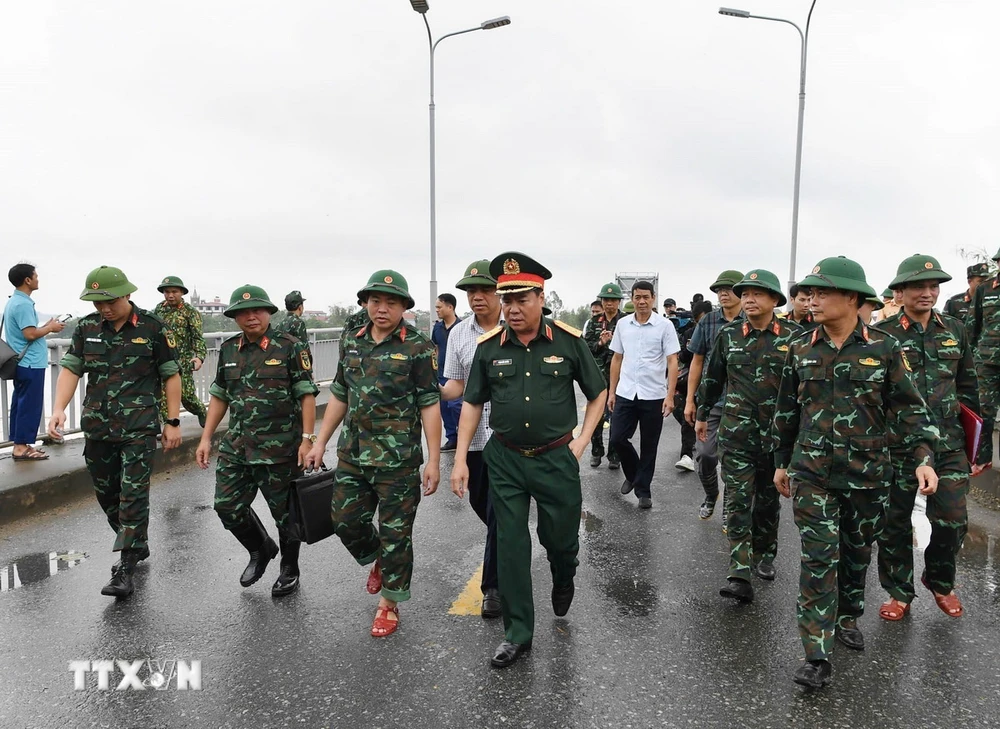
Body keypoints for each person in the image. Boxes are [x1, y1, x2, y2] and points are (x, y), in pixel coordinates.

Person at [772, 256, 939, 690]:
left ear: (851, 298)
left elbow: (910, 410)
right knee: (818, 557)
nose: (811, 300)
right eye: (809, 293)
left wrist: (924, 457)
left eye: (821, 293)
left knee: (856, 554)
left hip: (868, 475)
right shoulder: (800, 347)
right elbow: (787, 411)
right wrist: (779, 462)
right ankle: (816, 654)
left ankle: (848, 615)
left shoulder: (884, 348)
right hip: (812, 472)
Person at [451, 252, 607, 669]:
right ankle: (518, 632)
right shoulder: (488, 349)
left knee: (559, 538)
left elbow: (598, 393)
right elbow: (471, 404)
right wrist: (461, 458)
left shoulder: (569, 342)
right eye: (507, 300)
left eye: (521, 299)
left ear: (541, 297)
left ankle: (563, 572)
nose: (513, 309)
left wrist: (583, 441)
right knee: (511, 544)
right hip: (505, 458)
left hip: (556, 458)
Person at [306, 270, 440, 638]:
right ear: (365, 303)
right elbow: (339, 394)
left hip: (398, 460)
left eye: (391, 302)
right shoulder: (352, 341)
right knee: (344, 520)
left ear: (403, 307)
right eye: (375, 301)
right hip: (353, 453)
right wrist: (320, 442)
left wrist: (434, 459)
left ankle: (389, 604)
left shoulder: (418, 347)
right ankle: (378, 559)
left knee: (397, 533)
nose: (382, 309)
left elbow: (429, 404)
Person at [48, 266, 182, 598]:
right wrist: (58, 409)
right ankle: (137, 543)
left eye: (109, 301)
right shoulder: (88, 328)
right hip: (97, 426)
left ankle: (125, 567)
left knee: (133, 495)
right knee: (107, 495)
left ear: (127, 294)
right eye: (97, 303)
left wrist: (173, 421)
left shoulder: (153, 328)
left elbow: (170, 375)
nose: (104, 309)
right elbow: (71, 369)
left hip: (139, 427)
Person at [876, 254, 986, 624]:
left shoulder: (955, 329)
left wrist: (979, 446)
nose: (928, 292)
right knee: (893, 522)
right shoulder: (884, 335)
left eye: (933, 286)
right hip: (897, 442)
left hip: (948, 442)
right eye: (919, 286)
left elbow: (969, 386)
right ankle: (899, 591)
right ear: (900, 291)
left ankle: (939, 579)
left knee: (953, 519)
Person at [195, 285, 318, 597]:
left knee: (286, 514)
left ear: (269, 312)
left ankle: (290, 569)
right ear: (235, 317)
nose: (251, 317)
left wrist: (308, 440)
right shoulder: (228, 350)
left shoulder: (289, 346)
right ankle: (261, 548)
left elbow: (306, 394)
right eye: (243, 313)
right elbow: (219, 396)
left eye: (257, 311)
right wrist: (206, 438)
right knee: (227, 506)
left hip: (280, 447)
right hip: (238, 446)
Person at [695, 270, 798, 603]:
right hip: (736, 433)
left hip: (777, 438)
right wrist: (701, 413)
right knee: (739, 501)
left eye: (758, 294)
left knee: (767, 504)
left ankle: (765, 553)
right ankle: (739, 572)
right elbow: (713, 378)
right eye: (746, 294)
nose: (750, 299)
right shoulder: (729, 335)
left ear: (775, 300)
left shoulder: (795, 337)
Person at [440, 260, 504, 618]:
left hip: (511, 438)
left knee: (498, 511)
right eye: (471, 291)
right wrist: (424, 391)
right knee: (484, 506)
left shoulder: (517, 326)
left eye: (485, 290)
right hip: (475, 437)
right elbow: (455, 386)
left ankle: (493, 588)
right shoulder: (459, 334)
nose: (477, 297)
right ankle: (510, 546)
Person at [607, 281, 680, 509]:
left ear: (653, 298)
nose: (641, 301)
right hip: (626, 392)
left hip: (653, 394)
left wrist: (670, 395)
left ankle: (643, 491)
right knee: (617, 438)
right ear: (632, 298)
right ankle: (633, 473)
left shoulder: (664, 326)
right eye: (637, 297)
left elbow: (672, 361)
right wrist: (612, 391)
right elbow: (617, 358)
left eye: (645, 297)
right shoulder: (622, 325)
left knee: (650, 445)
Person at [685, 269, 744, 522]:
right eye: (719, 289)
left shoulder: (751, 320)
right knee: (706, 455)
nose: (723, 293)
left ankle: (728, 507)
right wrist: (690, 400)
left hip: (743, 403)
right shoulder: (707, 321)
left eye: (728, 288)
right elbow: (697, 361)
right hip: (711, 401)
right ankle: (711, 494)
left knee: (734, 461)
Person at [4, 263, 64, 461]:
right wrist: (51, 329)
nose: (38, 279)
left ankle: (21, 444)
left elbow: (28, 331)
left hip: (23, 362)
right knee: (29, 405)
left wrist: (46, 326)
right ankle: (21, 447)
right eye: (35, 276)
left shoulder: (15, 301)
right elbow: (29, 334)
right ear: (27, 280)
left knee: (21, 405)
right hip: (30, 363)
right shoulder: (23, 304)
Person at [154, 276, 208, 427]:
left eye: (174, 291)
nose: (170, 295)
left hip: (183, 361)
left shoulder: (190, 312)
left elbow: (197, 337)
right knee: (163, 397)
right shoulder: (159, 309)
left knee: (187, 396)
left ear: (182, 292)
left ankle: (201, 411)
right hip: (164, 360)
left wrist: (199, 357)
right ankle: (167, 426)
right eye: (167, 292)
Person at [966, 246, 1000, 477]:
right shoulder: (985, 289)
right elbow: (972, 325)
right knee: (985, 412)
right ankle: (983, 458)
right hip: (987, 361)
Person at [585, 283, 625, 469]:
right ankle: (596, 451)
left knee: (617, 415)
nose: (609, 303)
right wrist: (600, 343)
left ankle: (614, 454)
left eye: (613, 300)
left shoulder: (626, 321)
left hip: (620, 376)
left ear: (619, 302)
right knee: (597, 415)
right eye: (606, 300)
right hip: (598, 375)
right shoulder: (593, 322)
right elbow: (586, 348)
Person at [432, 293, 462, 451]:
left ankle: (464, 435)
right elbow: (435, 349)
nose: (437, 310)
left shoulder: (462, 327)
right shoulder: (437, 328)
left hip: (458, 375)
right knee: (444, 407)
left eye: (439, 307)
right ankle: (452, 438)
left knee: (456, 406)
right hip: (441, 373)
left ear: (450, 307)